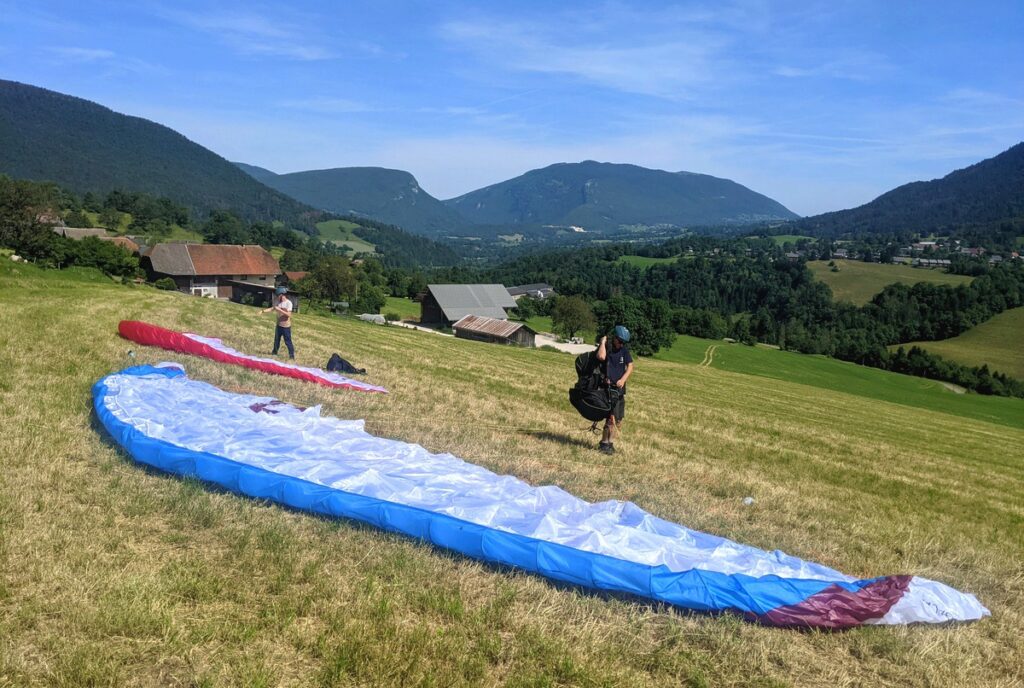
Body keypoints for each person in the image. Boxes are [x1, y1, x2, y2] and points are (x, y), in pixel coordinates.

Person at [595, 325, 634, 455]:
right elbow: (600, 357)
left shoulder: (624, 351)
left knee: (618, 419)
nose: (621, 344)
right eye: (620, 341)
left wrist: (623, 380)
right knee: (610, 419)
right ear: (615, 338)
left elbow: (630, 367)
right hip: (608, 389)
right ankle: (604, 444)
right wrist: (603, 342)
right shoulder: (608, 348)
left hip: (619, 390)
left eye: (623, 342)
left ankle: (610, 443)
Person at [262, 286, 294, 359]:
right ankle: (274, 353)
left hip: (286, 327)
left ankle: (291, 356)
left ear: (282, 295)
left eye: (278, 295)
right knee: (276, 340)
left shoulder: (289, 303)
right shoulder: (278, 302)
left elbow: (289, 315)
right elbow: (272, 309)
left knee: (288, 342)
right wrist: (262, 311)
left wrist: (279, 310)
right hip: (279, 325)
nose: (278, 297)